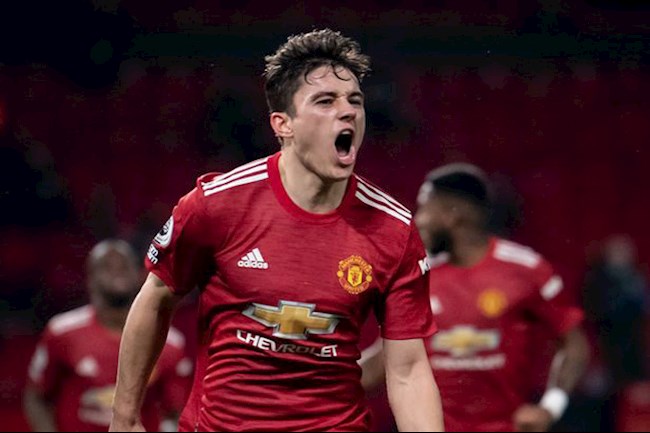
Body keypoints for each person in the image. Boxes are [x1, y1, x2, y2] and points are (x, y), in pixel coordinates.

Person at [109, 28, 443, 432]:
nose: (348, 111)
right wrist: (124, 418)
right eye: (325, 101)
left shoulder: (394, 229)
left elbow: (407, 369)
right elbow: (157, 296)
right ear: (283, 124)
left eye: (355, 100)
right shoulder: (217, 204)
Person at [361, 163, 590, 432]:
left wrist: (550, 407)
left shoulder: (527, 270)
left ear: (453, 214)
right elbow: (381, 363)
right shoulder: (417, 276)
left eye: (425, 208)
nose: (418, 220)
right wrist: (321, 378)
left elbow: (574, 345)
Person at [24, 239, 192, 432]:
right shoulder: (61, 332)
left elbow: (174, 413)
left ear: (140, 275)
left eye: (124, 266)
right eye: (107, 266)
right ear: (90, 279)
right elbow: (36, 397)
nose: (117, 272)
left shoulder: (168, 343)